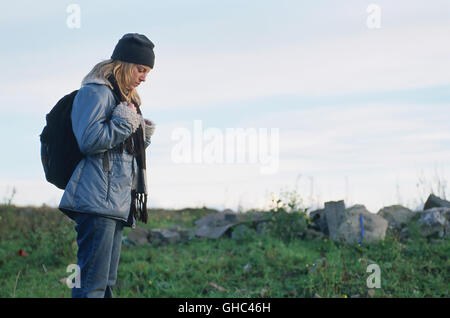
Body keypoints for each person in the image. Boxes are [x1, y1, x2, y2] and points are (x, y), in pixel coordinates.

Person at [59, 33, 156, 298]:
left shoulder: (125, 98)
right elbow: (89, 141)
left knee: (105, 284)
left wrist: (141, 137)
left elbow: (117, 154)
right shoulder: (96, 91)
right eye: (141, 69)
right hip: (96, 200)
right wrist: (125, 124)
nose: (144, 77)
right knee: (91, 283)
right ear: (124, 63)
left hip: (115, 201)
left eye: (147, 71)